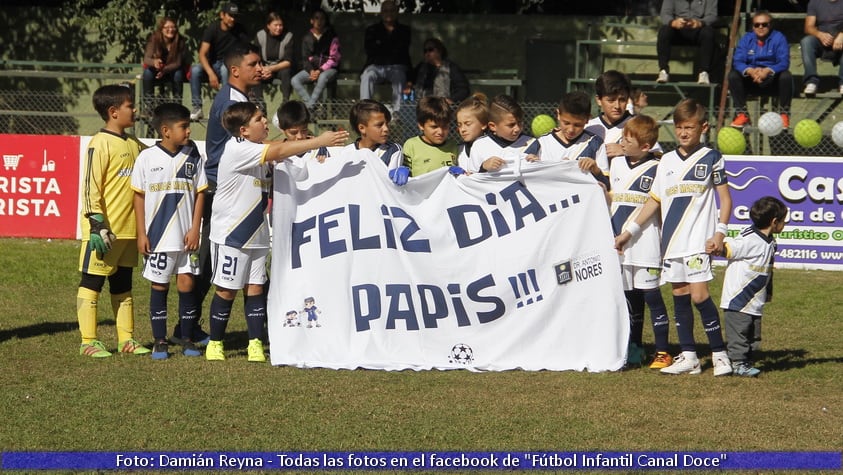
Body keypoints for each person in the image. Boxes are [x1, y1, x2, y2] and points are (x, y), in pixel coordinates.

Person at [205, 102, 348, 362]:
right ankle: (215, 342)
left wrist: (320, 150)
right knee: (227, 290)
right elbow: (281, 148)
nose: (265, 123)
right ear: (244, 130)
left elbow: (289, 154)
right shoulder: (238, 149)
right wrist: (319, 141)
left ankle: (255, 343)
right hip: (230, 234)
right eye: (259, 119)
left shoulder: (259, 148)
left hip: (257, 231)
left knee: (256, 288)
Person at [615, 98, 733, 376]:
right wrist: (628, 233)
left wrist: (720, 233)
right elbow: (653, 202)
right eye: (679, 127)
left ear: (703, 127)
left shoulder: (712, 157)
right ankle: (689, 356)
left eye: (689, 127)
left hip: (698, 243)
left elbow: (725, 200)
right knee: (679, 295)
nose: (683, 133)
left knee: (700, 296)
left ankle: (719, 354)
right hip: (671, 245)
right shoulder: (665, 161)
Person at [192, 43, 264, 340]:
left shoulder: (238, 97)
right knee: (213, 262)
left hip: (230, 188)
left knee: (232, 263)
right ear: (235, 70)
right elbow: (228, 154)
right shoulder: (231, 102)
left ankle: (260, 329)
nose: (261, 69)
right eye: (254, 64)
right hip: (225, 191)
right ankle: (188, 325)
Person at [76, 84, 150, 358]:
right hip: (104, 231)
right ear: (113, 111)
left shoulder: (135, 144)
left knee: (123, 285)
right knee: (92, 283)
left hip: (129, 231)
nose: (135, 110)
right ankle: (88, 341)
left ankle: (126, 340)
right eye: (130, 106)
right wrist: (96, 223)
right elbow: (89, 188)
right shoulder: (100, 143)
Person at [131, 103, 207, 360]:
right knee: (159, 285)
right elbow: (138, 198)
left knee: (187, 283)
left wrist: (195, 228)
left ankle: (186, 337)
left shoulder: (194, 156)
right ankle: (160, 340)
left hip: (186, 237)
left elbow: (199, 194)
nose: (188, 132)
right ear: (166, 130)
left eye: (188, 126)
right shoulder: (146, 158)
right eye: (183, 127)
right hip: (159, 237)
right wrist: (142, 233)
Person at [611, 114, 671, 368]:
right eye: (622, 137)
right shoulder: (615, 164)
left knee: (651, 297)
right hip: (620, 246)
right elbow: (610, 198)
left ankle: (663, 352)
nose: (622, 142)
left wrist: (633, 231)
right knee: (627, 299)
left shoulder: (657, 168)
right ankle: (632, 349)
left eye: (627, 139)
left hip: (645, 244)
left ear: (645, 146)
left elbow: (655, 207)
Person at [716, 196, 787, 377]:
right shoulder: (749, 238)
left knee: (753, 334)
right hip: (738, 298)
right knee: (739, 333)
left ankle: (747, 360)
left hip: (755, 298)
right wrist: (717, 246)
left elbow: (768, 269)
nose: (784, 224)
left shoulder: (770, 241)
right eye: (783, 220)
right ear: (774, 222)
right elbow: (729, 248)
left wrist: (768, 291)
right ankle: (738, 363)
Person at [729, 10, 792, 129]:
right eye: (757, 25)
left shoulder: (779, 38)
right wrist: (750, 71)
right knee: (733, 76)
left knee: (786, 76)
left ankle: (784, 115)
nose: (760, 27)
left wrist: (767, 70)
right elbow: (738, 61)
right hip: (752, 79)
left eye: (764, 24)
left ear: (770, 25)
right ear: (753, 26)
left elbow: (784, 62)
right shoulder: (746, 39)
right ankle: (742, 115)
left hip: (772, 80)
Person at [189, 2, 250, 120]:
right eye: (230, 15)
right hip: (212, 64)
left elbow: (245, 52)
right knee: (195, 70)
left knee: (224, 70)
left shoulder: (240, 30)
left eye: (235, 16)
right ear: (222, 15)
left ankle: (225, 107)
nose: (233, 19)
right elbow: (202, 54)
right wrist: (211, 74)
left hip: (230, 64)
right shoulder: (212, 28)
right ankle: (197, 108)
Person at [535, 91, 608, 187]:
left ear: (587, 119)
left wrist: (595, 170)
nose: (571, 130)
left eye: (577, 125)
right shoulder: (542, 143)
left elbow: (607, 185)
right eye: (566, 123)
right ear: (558, 114)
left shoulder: (595, 143)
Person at [360, 0, 413, 112]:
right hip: (375, 65)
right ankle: (364, 110)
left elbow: (402, 52)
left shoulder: (404, 30)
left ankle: (397, 112)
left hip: (396, 66)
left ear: (397, 12)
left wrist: (382, 46)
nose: (388, 13)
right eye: (385, 10)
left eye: (392, 10)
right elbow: (370, 50)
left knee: (399, 77)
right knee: (367, 76)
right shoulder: (372, 30)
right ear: (381, 12)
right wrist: (390, 48)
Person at [465, 94, 538, 174]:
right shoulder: (480, 146)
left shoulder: (532, 144)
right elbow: (471, 180)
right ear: (493, 126)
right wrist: (483, 167)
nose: (517, 129)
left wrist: (538, 164)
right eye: (511, 125)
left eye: (520, 123)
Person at [656, 0, 718, 84]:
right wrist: (673, 23)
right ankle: (663, 71)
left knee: (708, 33)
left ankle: (704, 72)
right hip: (678, 29)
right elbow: (665, 13)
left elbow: (712, 15)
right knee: (664, 31)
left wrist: (699, 23)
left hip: (698, 29)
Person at [291, 9, 341, 112]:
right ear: (312, 21)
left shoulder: (332, 36)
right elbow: (305, 58)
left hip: (328, 69)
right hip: (312, 70)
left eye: (322, 18)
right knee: (295, 80)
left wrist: (320, 70)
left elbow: (334, 59)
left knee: (322, 77)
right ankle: (311, 104)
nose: (319, 21)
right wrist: (311, 71)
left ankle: (310, 106)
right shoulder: (306, 38)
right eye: (316, 18)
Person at [342, 99, 404, 179]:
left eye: (387, 124)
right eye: (379, 125)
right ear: (362, 128)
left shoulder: (393, 150)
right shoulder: (346, 152)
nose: (386, 129)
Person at [402, 96, 458, 177]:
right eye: (434, 127)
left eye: (445, 126)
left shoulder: (454, 146)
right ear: (421, 125)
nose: (440, 132)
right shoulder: (411, 145)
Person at [142, 17, 188, 111]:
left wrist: (165, 70)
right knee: (147, 73)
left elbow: (178, 63)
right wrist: (154, 62)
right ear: (161, 29)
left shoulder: (180, 40)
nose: (170, 30)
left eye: (173, 27)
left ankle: (177, 105)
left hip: (172, 70)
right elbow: (146, 59)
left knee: (178, 74)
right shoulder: (154, 39)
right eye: (167, 27)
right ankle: (148, 105)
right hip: (158, 70)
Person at [585, 69, 632, 160]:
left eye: (622, 100)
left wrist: (626, 151)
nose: (617, 106)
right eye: (611, 100)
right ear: (599, 100)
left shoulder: (638, 125)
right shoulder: (589, 127)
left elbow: (658, 158)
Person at [800, 0, 843, 95]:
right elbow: (808, 27)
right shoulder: (814, 2)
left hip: (840, 39)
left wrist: (842, 35)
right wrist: (819, 34)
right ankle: (811, 81)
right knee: (806, 41)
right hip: (822, 40)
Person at [410, 38, 470, 104]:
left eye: (430, 49)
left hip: (442, 109)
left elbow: (463, 89)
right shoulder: (421, 67)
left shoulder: (451, 67)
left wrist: (451, 100)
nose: (427, 53)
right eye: (425, 51)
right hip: (422, 107)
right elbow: (410, 80)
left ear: (439, 51)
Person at [254, 12, 294, 108]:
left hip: (280, 67)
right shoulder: (260, 35)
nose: (279, 28)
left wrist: (271, 69)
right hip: (264, 68)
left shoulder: (288, 36)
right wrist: (263, 69)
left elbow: (288, 62)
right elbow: (255, 58)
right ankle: (259, 103)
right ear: (268, 25)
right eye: (276, 25)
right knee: (255, 72)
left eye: (281, 25)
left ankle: (285, 102)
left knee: (286, 72)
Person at [455, 93, 489, 169]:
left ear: (483, 124)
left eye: (468, 124)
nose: (462, 129)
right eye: (459, 125)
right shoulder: (458, 150)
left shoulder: (494, 147)